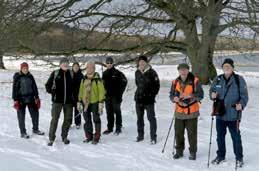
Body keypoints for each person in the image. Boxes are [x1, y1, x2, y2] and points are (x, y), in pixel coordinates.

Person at [209, 58, 248, 167]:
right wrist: (212, 95)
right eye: (225, 66)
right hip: (220, 114)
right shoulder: (218, 79)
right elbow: (212, 91)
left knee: (236, 137)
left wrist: (242, 104)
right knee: (220, 137)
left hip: (233, 114)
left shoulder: (239, 79)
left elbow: (244, 96)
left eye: (228, 66)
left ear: (232, 68)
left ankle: (239, 158)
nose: (226, 68)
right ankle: (221, 156)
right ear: (222, 68)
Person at [169, 63, 204, 160]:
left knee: (192, 134)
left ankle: (193, 152)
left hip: (192, 112)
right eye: (181, 70)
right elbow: (171, 95)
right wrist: (174, 98)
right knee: (178, 133)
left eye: (185, 70)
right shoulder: (175, 82)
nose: (183, 72)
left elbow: (201, 95)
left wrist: (190, 96)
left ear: (188, 70)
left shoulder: (195, 81)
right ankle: (179, 151)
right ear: (178, 71)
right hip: (179, 112)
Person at [45, 58, 74, 146]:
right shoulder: (55, 73)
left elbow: (76, 87)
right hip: (57, 101)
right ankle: (51, 138)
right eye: (63, 63)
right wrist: (52, 92)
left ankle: (64, 137)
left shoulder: (71, 73)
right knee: (54, 120)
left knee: (68, 120)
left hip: (68, 102)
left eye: (67, 63)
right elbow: (48, 85)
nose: (65, 64)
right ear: (60, 64)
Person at [12, 62, 44, 139]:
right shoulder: (17, 77)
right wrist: (15, 100)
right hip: (20, 99)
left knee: (35, 114)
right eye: (24, 68)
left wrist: (37, 97)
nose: (25, 69)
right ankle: (23, 132)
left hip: (31, 98)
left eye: (26, 68)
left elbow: (34, 87)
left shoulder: (30, 76)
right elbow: (15, 89)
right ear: (21, 69)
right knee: (21, 117)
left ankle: (35, 129)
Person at [78, 61, 105, 144]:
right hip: (85, 103)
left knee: (96, 119)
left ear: (94, 68)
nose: (90, 69)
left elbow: (101, 91)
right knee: (87, 120)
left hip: (95, 102)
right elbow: (81, 90)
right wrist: (79, 101)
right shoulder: (83, 79)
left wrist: (101, 102)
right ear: (86, 69)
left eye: (92, 67)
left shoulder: (97, 79)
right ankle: (89, 136)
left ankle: (97, 137)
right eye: (88, 67)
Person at [134, 55, 160, 145]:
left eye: (143, 62)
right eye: (140, 62)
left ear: (146, 62)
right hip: (139, 99)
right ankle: (140, 135)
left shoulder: (152, 72)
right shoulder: (137, 72)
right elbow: (137, 84)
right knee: (139, 118)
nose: (141, 63)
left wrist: (152, 95)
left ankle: (153, 137)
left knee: (151, 118)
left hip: (149, 100)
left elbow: (157, 86)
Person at [102, 57, 127, 135]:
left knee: (117, 112)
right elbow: (102, 85)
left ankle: (118, 128)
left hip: (116, 97)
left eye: (110, 63)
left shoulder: (117, 73)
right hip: (107, 97)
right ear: (106, 64)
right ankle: (110, 128)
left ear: (113, 63)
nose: (109, 64)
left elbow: (124, 81)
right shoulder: (104, 73)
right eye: (108, 63)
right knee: (109, 113)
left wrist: (120, 93)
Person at [71, 62, 84, 129]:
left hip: (78, 96)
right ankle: (69, 123)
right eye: (74, 67)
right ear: (72, 67)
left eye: (77, 67)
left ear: (79, 68)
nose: (75, 68)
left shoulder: (81, 76)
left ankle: (78, 123)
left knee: (77, 109)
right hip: (70, 96)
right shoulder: (70, 74)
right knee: (69, 110)